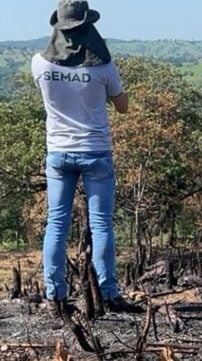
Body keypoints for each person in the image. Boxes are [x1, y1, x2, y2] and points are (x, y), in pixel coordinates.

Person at [32, 0, 142, 315]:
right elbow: (122, 107)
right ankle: (109, 294)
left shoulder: (40, 64)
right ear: (88, 26)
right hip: (95, 152)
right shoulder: (103, 67)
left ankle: (55, 297)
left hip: (58, 153)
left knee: (57, 224)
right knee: (101, 224)